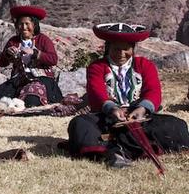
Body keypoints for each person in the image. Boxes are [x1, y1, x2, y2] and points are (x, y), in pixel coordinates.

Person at [67, 23, 189, 168]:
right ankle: (124, 149)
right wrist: (112, 108)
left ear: (133, 48)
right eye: (116, 49)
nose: (121, 53)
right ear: (108, 47)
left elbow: (153, 91)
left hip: (140, 117)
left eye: (126, 48)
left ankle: (116, 147)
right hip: (106, 117)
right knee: (80, 124)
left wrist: (142, 109)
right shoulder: (97, 67)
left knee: (176, 125)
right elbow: (96, 91)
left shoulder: (145, 65)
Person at [0, 5, 62, 107]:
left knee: (32, 98)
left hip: (41, 78)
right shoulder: (14, 41)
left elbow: (53, 59)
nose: (24, 27)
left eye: (27, 24)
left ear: (34, 25)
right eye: (21, 24)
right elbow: (2, 63)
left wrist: (35, 53)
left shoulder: (43, 40)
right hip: (19, 79)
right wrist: (7, 53)